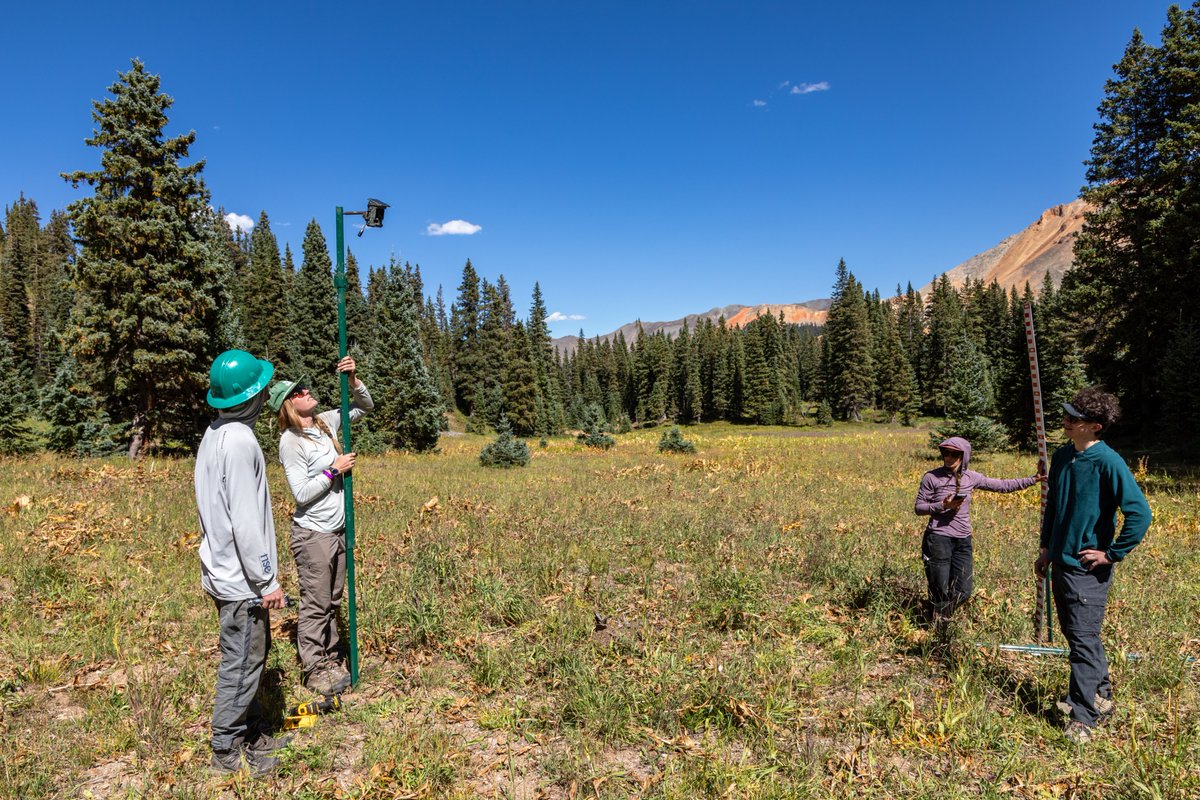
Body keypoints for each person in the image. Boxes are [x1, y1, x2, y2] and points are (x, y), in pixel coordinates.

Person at [1035, 387, 1151, 744]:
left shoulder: (1109, 462)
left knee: (1083, 641)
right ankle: (1100, 696)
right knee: (1079, 636)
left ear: (1095, 426)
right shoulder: (1062, 457)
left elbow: (1139, 514)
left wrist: (1111, 553)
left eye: (1075, 417)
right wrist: (1045, 548)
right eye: (1067, 414)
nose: (1066, 420)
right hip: (1060, 562)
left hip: (1088, 570)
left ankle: (1083, 718)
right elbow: (1053, 505)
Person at [195, 349, 290, 776]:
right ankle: (225, 752)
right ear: (250, 396)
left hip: (223, 571)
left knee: (248, 655)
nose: (268, 392)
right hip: (241, 580)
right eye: (263, 387)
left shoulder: (214, 433)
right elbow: (246, 522)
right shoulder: (240, 441)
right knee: (242, 661)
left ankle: (252, 731)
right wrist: (266, 579)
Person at [268, 356, 373, 697]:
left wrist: (354, 379)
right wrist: (334, 470)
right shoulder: (291, 441)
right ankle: (315, 669)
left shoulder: (325, 423)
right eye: (299, 390)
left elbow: (364, 406)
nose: (307, 390)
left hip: (337, 529)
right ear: (289, 403)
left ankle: (330, 658)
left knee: (333, 599)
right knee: (315, 602)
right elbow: (301, 493)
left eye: (306, 386)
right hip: (313, 534)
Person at [915, 436, 1043, 623]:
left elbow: (1002, 486)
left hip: (963, 540)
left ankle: (940, 616)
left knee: (963, 591)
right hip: (938, 539)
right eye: (945, 453)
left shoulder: (971, 477)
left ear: (964, 456)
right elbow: (919, 508)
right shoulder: (931, 477)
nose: (948, 457)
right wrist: (943, 505)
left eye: (954, 454)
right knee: (939, 589)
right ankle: (937, 628)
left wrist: (1033, 479)